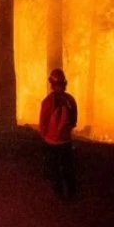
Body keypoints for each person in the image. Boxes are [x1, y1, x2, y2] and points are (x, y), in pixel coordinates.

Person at [39, 68, 78, 200]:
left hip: (51, 142)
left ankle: (60, 196)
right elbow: (73, 121)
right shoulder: (70, 100)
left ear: (51, 84)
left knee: (54, 169)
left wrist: (45, 137)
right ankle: (71, 196)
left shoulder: (47, 102)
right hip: (65, 142)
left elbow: (42, 123)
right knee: (67, 169)